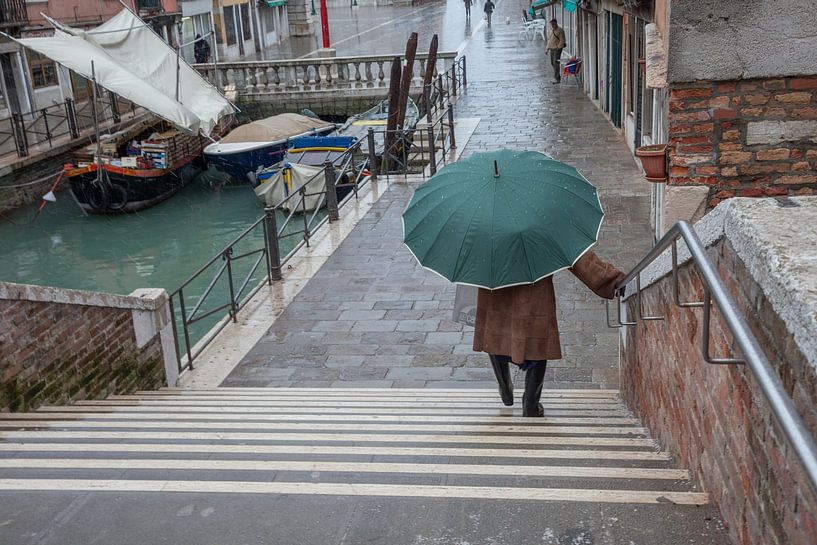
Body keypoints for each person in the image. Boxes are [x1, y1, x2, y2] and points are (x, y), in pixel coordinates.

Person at [472, 251, 625, 417]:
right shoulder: (542, 227)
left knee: (496, 334)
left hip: (495, 288)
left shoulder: (484, 228)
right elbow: (574, 255)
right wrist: (612, 280)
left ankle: (505, 389)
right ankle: (530, 405)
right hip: (533, 291)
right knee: (536, 342)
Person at [545, 18, 566, 83]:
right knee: (552, 63)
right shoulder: (551, 31)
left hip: (557, 49)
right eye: (551, 24)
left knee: (556, 63)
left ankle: (556, 78)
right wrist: (547, 49)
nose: (552, 25)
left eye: (553, 24)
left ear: (556, 23)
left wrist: (558, 47)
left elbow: (562, 40)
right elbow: (549, 40)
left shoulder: (560, 30)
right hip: (551, 49)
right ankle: (557, 76)